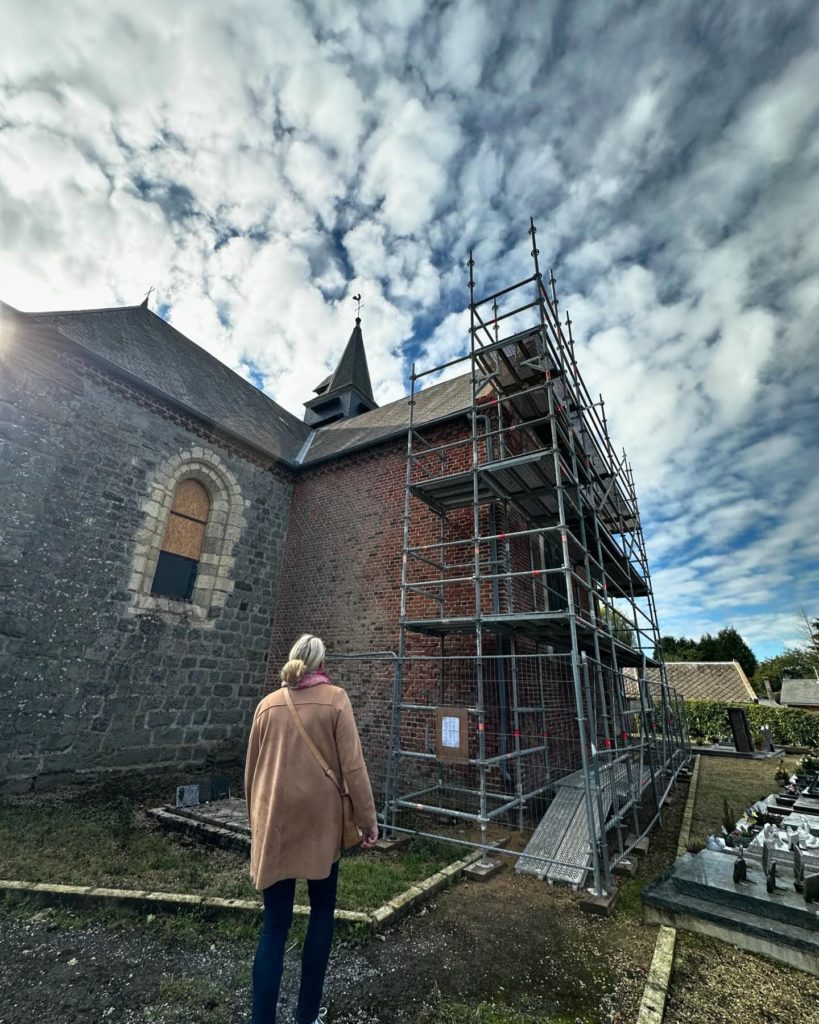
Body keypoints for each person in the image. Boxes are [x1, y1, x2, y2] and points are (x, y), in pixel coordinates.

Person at [245, 634, 379, 1024]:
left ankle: (261, 1019)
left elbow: (252, 773)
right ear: (321, 665)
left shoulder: (266, 706)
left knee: (274, 926)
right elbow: (353, 767)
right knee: (321, 914)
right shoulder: (335, 699)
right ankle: (305, 1016)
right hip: (322, 828)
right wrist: (367, 821)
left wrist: (259, 824)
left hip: (277, 827)